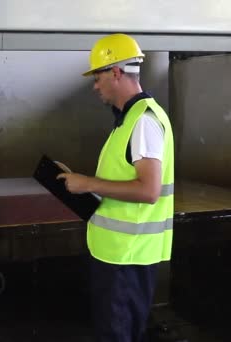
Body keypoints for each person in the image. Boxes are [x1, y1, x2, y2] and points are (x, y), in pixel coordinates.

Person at [57, 33, 174, 342]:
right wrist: (81, 184)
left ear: (116, 73)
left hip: (128, 257)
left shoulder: (144, 121)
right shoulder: (128, 120)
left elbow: (148, 190)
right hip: (118, 255)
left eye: (97, 78)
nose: (95, 86)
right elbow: (123, 178)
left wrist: (88, 183)